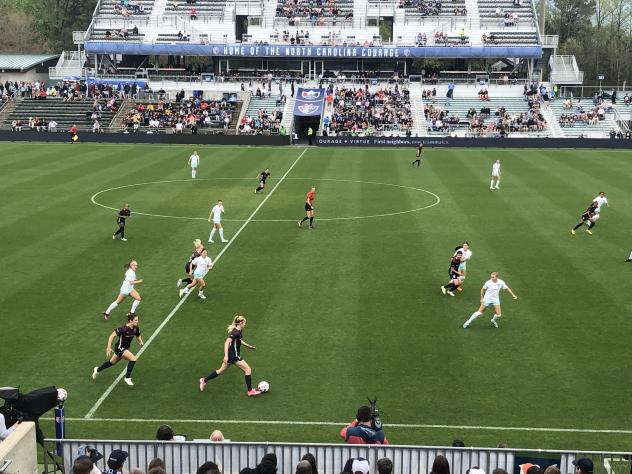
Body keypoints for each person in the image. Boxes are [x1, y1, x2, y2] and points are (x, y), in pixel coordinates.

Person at [199, 315, 262, 396]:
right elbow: (226, 342)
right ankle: (250, 391)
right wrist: (226, 356)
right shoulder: (235, 332)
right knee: (248, 370)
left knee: (221, 370)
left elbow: (239, 341)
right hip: (233, 356)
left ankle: (204, 380)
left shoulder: (239, 331)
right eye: (244, 323)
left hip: (230, 354)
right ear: (241, 323)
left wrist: (249, 346)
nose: (245, 324)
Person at [92, 313, 143, 386]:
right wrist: (108, 347)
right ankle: (127, 378)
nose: (137, 321)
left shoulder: (136, 328)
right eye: (136, 320)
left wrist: (140, 341)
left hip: (125, 348)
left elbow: (137, 335)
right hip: (119, 348)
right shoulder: (124, 329)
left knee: (111, 363)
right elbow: (111, 335)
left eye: (137, 320)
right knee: (133, 359)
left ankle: (97, 370)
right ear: (130, 321)